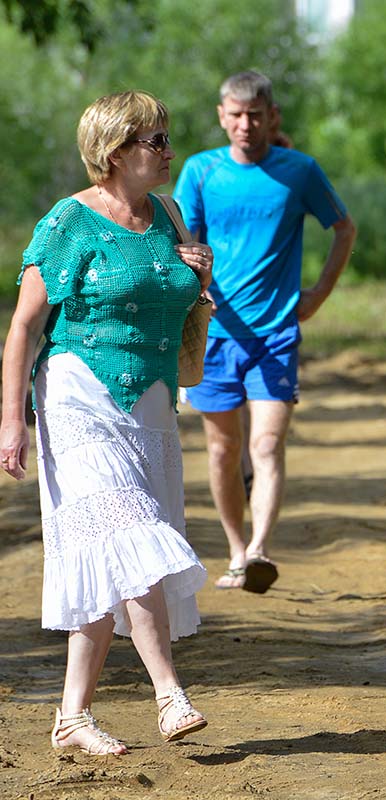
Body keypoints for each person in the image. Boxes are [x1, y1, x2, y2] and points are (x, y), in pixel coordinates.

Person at [0, 91, 211, 753]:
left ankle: (72, 716)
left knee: (106, 551)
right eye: (155, 140)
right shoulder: (68, 223)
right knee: (130, 531)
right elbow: (24, 328)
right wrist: (12, 421)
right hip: (76, 395)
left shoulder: (169, 217)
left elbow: (189, 309)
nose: (168, 151)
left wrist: (200, 276)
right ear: (115, 152)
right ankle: (170, 693)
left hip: (150, 401)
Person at [174, 71, 357, 593]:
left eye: (254, 115)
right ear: (220, 115)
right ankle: (235, 550)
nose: (244, 125)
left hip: (275, 332)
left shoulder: (299, 171)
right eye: (234, 114)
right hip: (213, 333)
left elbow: (344, 228)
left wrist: (318, 294)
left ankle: (259, 550)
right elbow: (182, 238)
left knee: (268, 443)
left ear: (271, 116)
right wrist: (192, 273)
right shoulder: (200, 171)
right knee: (221, 451)